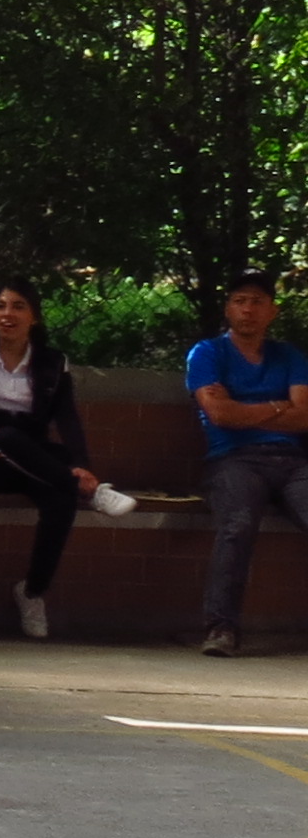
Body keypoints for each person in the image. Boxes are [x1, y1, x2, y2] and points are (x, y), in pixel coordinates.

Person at [0, 281, 136, 641]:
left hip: (32, 459)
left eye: (18, 306)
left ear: (34, 317)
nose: (7, 314)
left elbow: (67, 418)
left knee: (60, 499)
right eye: (0, 306)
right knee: (8, 440)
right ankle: (90, 492)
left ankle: (32, 591)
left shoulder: (52, 362)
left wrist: (81, 463)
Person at [186, 273, 308, 656]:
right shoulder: (207, 353)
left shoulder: (289, 356)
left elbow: (304, 417)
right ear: (228, 308)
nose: (248, 309)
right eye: (239, 300)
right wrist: (277, 406)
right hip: (233, 461)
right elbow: (219, 414)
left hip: (294, 463)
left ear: (273, 311)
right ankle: (221, 628)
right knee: (237, 525)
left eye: (257, 301)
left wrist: (242, 409)